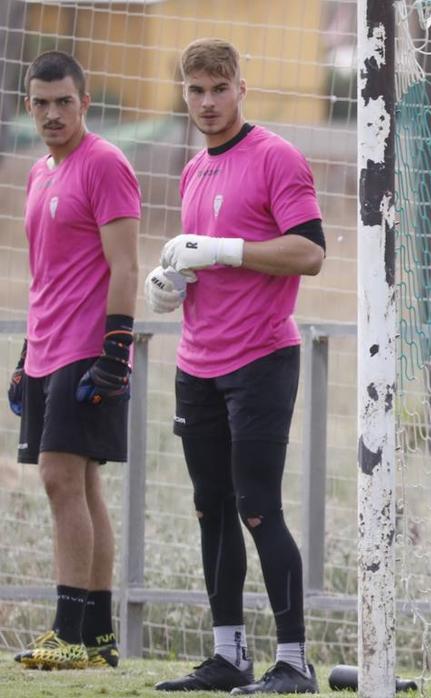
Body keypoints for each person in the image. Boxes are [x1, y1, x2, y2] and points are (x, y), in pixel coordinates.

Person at [144, 38, 325, 695]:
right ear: (184, 93)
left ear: (241, 87)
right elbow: (198, 262)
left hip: (261, 360)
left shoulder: (277, 156)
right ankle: (228, 657)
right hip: (197, 364)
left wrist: (222, 249)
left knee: (257, 509)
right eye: (195, 90)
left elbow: (309, 254)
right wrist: (173, 284)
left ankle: (295, 663)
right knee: (209, 509)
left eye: (219, 88)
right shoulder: (194, 170)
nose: (208, 102)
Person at [7, 50, 140, 672]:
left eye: (64, 101)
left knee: (60, 478)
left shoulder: (106, 164)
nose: (53, 113)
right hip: (48, 348)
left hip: (89, 349)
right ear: (27, 104)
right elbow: (48, 276)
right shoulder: (40, 173)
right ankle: (96, 635)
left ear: (85, 102)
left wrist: (118, 349)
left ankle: (67, 631)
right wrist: (25, 354)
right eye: (41, 102)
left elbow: (125, 266)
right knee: (80, 483)